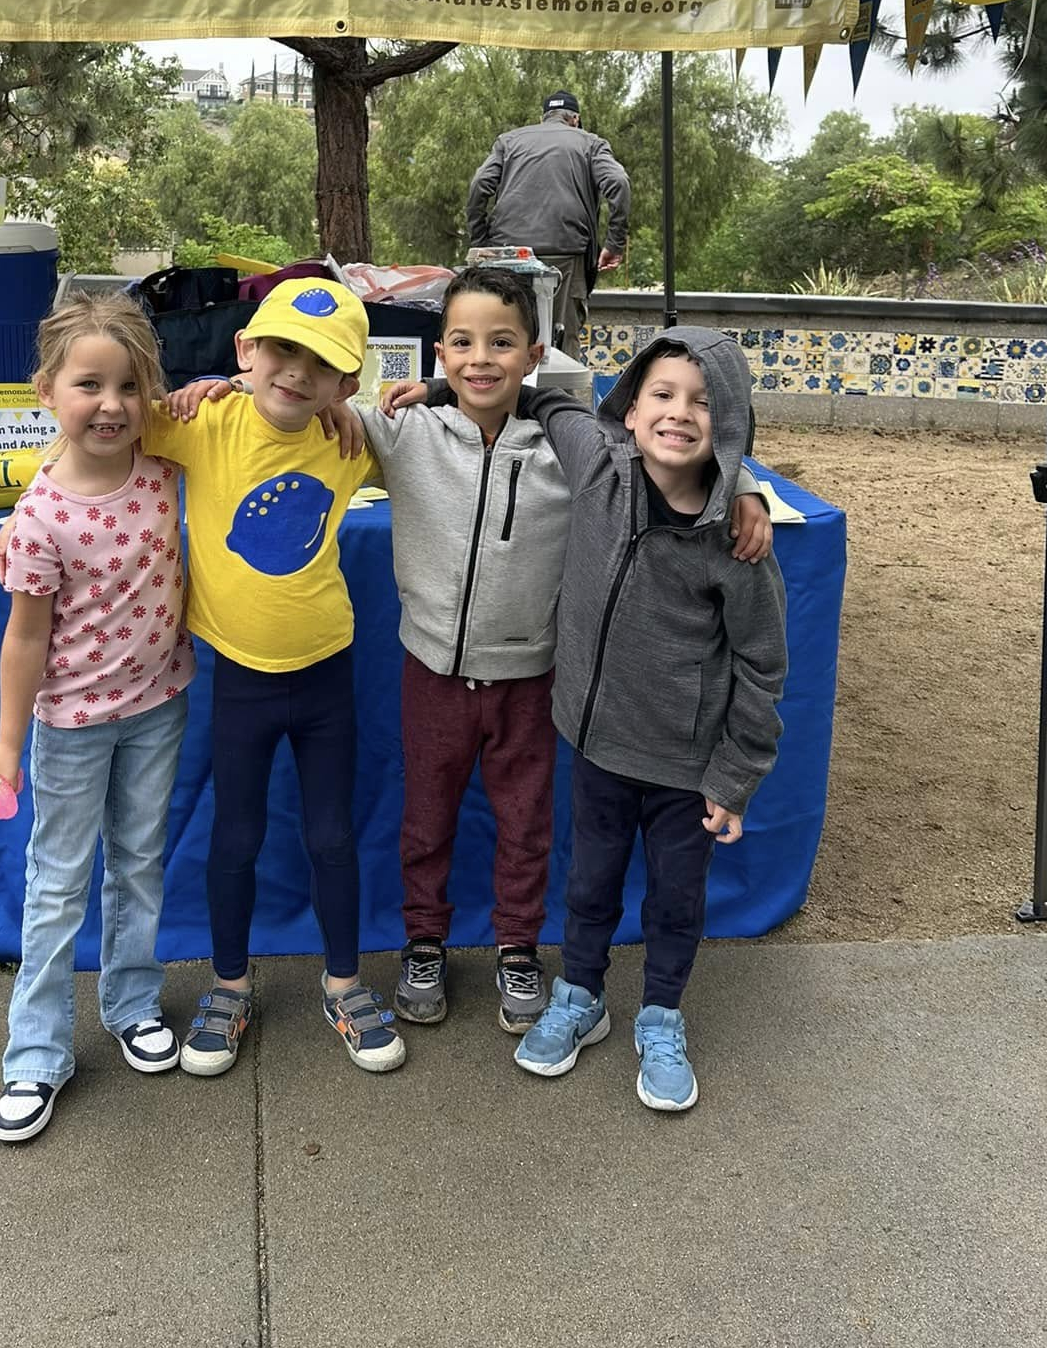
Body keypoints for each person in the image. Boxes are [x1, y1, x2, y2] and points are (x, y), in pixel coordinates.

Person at [190, 269, 771, 1042]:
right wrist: (222, 386)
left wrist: (743, 485)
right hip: (431, 670)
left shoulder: (573, 449)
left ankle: (518, 947)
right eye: (462, 342)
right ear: (440, 352)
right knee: (425, 820)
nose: (480, 358)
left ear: (533, 354)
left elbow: (666, 454)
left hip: (530, 677)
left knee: (525, 824)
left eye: (501, 343)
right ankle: (423, 941)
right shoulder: (402, 432)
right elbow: (301, 403)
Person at [504, 327, 787, 1113]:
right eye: (662, 394)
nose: (679, 413)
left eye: (703, 402)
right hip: (597, 747)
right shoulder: (597, 463)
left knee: (674, 900)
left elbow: (763, 664)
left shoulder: (737, 543)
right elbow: (541, 401)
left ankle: (661, 1017)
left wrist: (735, 776)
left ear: (729, 425)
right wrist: (431, 388)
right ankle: (581, 996)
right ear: (629, 409)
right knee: (589, 883)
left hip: (686, 770)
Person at [146, 277, 406, 1077]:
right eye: (283, 350)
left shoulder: (349, 439)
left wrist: (401, 400)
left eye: (321, 363)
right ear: (246, 350)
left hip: (326, 670)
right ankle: (229, 985)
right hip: (240, 679)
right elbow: (103, 420)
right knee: (236, 834)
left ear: (346, 384)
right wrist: (36, 500)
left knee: (331, 834)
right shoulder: (205, 422)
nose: (297, 371)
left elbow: (456, 437)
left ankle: (344, 982)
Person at [0, 293, 196, 1145]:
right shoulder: (39, 521)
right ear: (46, 392)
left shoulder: (164, 466)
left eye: (130, 386)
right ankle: (36, 1050)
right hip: (70, 724)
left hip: (159, 707)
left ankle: (132, 1003)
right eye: (89, 385)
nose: (111, 404)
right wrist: (7, 744)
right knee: (59, 882)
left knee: (139, 863)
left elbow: (235, 409)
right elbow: (24, 640)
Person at [466, 89, 631, 350]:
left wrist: (481, 242)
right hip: (566, 253)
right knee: (562, 342)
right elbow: (618, 182)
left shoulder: (508, 141)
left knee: (504, 337)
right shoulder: (590, 143)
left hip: (508, 255)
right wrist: (614, 244)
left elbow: (479, 185)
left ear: (543, 117)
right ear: (575, 119)